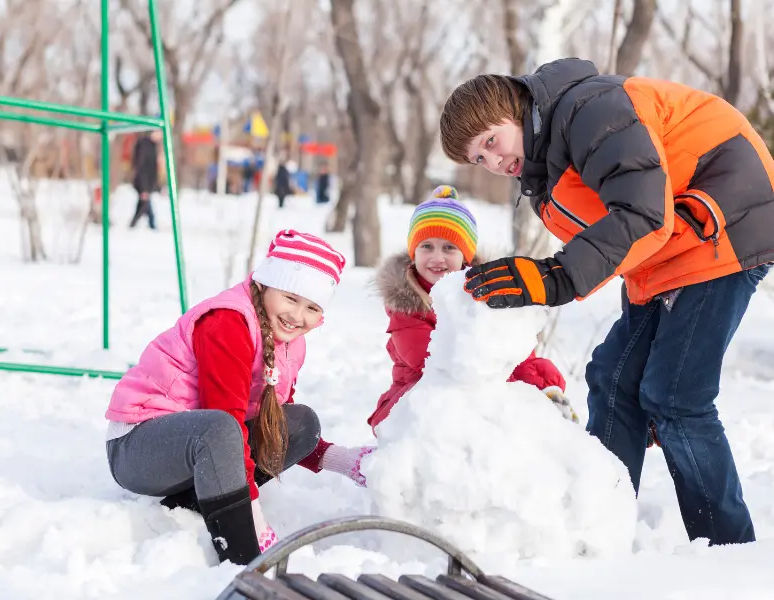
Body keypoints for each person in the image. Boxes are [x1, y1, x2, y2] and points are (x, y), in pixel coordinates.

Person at [440, 57, 774, 546]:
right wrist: (548, 277)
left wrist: (554, 277)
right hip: (667, 255)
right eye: (479, 160)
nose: (493, 163)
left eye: (491, 142)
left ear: (514, 108)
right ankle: (601, 531)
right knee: (612, 379)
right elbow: (619, 239)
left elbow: (642, 213)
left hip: (724, 226)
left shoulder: (590, 108)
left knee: (676, 396)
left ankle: (727, 550)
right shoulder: (545, 172)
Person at [104, 229, 347, 565]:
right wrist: (254, 518)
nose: (297, 316)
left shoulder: (288, 339)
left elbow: (270, 420)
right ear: (264, 284)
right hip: (137, 447)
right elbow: (226, 421)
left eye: (312, 307)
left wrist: (339, 460)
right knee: (220, 429)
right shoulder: (228, 322)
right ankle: (242, 554)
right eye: (290, 298)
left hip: (197, 442)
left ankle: (196, 504)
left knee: (301, 423)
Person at [307, 186, 576, 487]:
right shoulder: (406, 306)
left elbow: (515, 350)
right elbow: (433, 361)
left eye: (449, 248)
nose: (437, 257)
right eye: (427, 246)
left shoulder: (486, 294)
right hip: (421, 396)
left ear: (466, 255)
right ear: (414, 252)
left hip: (483, 392)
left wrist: (540, 386)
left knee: (512, 430)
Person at [130, 130, 160, 229]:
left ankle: (135, 224)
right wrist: (144, 188)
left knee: (143, 204)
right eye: (159, 133)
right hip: (143, 183)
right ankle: (150, 225)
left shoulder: (153, 146)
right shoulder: (145, 145)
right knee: (144, 204)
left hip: (147, 183)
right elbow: (142, 167)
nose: (160, 136)